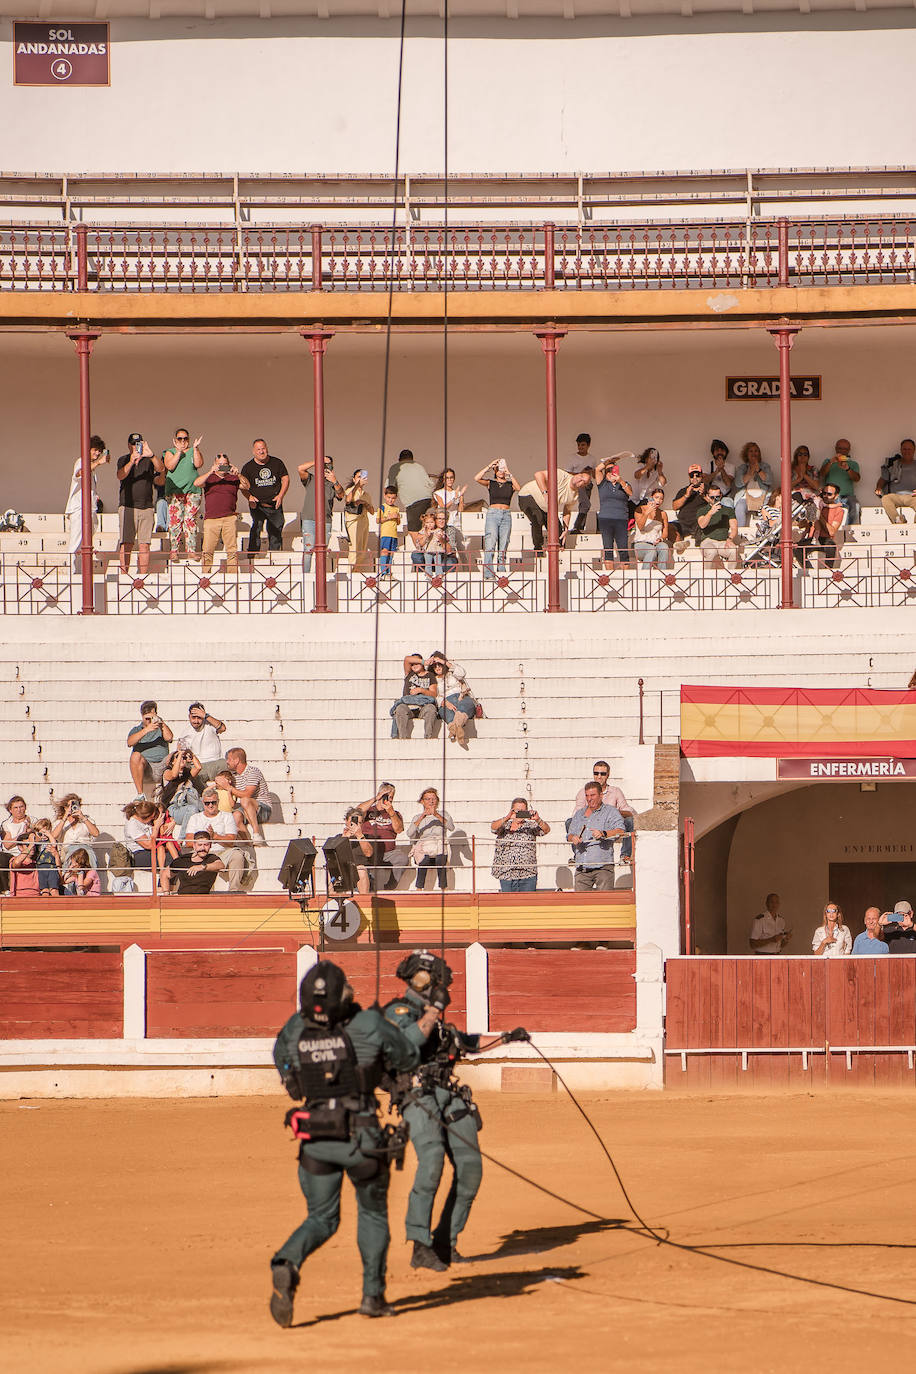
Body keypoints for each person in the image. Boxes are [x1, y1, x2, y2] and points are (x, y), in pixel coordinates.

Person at [269, 958, 438, 1326]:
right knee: (373, 1213)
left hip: (315, 1136)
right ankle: (372, 1296)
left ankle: (287, 1260)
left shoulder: (295, 1027)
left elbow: (282, 1061)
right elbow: (408, 1056)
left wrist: (296, 1078)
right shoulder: (367, 1023)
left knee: (321, 1218)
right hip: (362, 1137)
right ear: (343, 996)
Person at [382, 951, 527, 1272]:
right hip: (418, 1096)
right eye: (426, 977)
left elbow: (468, 1042)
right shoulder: (398, 1011)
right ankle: (420, 1245)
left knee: (470, 1168)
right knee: (431, 1162)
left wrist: (506, 1038)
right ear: (412, 978)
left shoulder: (439, 1024)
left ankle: (445, 1243)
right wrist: (433, 1009)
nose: (431, 983)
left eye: (436, 979)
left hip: (449, 1094)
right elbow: (409, 1042)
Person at [181, 787, 253, 892]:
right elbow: (188, 842)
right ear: (203, 803)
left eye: (213, 802)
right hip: (201, 853)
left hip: (223, 852)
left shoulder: (227, 816)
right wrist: (206, 840)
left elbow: (231, 841)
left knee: (237, 855)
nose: (210, 805)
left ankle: (234, 891)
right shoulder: (195, 818)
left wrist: (214, 836)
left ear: (218, 802)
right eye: (207, 803)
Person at [117, 433, 165, 575]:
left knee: (144, 545)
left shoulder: (149, 460)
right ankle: (124, 575)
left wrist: (151, 455)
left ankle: (142, 577)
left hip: (146, 507)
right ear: (128, 445)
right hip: (127, 506)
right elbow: (120, 475)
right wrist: (132, 461)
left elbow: (161, 469)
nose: (135, 446)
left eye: (138, 444)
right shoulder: (123, 459)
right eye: (133, 444)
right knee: (126, 544)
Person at [195, 453, 250, 573]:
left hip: (229, 518)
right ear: (215, 464)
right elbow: (197, 483)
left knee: (232, 550)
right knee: (207, 550)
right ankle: (206, 575)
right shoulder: (209, 478)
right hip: (211, 519)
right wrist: (210, 471)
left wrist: (238, 474)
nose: (222, 467)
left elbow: (247, 486)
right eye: (220, 464)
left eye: (225, 464)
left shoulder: (233, 478)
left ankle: (232, 576)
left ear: (229, 464)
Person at [566, 781, 625, 891]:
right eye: (587, 795)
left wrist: (604, 833)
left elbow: (621, 831)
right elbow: (569, 834)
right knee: (580, 901)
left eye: (592, 795)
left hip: (603, 867)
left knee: (604, 901)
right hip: (582, 868)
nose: (589, 799)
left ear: (601, 795)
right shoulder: (579, 814)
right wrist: (573, 838)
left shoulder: (611, 811)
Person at [516, 467, 591, 554]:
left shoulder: (574, 495)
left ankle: (557, 552)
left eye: (583, 481)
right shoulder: (562, 475)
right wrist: (545, 493)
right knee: (538, 519)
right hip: (527, 495)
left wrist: (566, 529)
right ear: (577, 474)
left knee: (558, 532)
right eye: (581, 476)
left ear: (583, 486)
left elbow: (567, 511)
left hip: (546, 507)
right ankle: (538, 548)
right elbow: (538, 475)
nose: (580, 479)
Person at [574, 762, 635, 863]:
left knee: (629, 821)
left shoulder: (615, 791)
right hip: (591, 826)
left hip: (610, 825)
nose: (599, 776)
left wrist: (613, 812)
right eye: (596, 773)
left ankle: (625, 855)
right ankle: (578, 855)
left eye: (602, 774)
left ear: (608, 775)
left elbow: (629, 812)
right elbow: (576, 814)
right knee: (570, 822)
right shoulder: (583, 792)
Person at [65, 434, 109, 573]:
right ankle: (71, 573)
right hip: (79, 509)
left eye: (99, 451)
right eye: (95, 450)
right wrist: (99, 462)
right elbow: (80, 473)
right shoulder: (81, 461)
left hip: (89, 509)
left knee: (85, 543)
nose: (97, 453)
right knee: (76, 542)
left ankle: (80, 572)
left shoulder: (92, 468)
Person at [297, 454, 345, 573]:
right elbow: (300, 469)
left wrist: (335, 481)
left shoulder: (332, 484)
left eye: (328, 466)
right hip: (309, 519)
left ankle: (320, 575)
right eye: (323, 465)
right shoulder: (311, 479)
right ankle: (306, 576)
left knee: (322, 552)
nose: (325, 468)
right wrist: (317, 461)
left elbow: (341, 495)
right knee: (308, 549)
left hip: (325, 521)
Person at [490, 798, 549, 892]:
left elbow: (546, 830)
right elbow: (493, 827)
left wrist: (538, 820)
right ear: (512, 810)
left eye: (523, 811)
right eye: (517, 811)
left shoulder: (531, 826)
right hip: (506, 874)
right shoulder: (504, 826)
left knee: (527, 901)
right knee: (508, 901)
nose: (520, 813)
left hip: (528, 875)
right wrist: (507, 817)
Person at [162, 427, 204, 560]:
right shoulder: (170, 452)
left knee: (190, 520)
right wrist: (179, 451)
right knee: (175, 521)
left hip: (192, 490)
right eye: (180, 439)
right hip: (175, 491)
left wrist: (195, 449)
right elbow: (170, 466)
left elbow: (199, 464)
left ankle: (191, 550)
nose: (183, 441)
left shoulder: (193, 451)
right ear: (175, 440)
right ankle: (174, 550)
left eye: (185, 438)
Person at [474, 459, 519, 579]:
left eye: (502, 469)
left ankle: (501, 569)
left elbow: (518, 487)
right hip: (493, 514)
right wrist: (489, 466)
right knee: (490, 541)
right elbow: (477, 478)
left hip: (506, 514)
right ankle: (488, 572)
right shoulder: (491, 483)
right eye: (498, 469)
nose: (500, 471)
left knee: (504, 543)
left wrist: (509, 473)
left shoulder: (509, 484)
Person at [242, 438, 289, 553]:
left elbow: (285, 479)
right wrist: (249, 497)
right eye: (258, 449)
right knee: (256, 528)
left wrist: (281, 495)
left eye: (263, 448)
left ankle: (274, 555)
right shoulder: (248, 467)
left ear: (267, 449)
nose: (261, 451)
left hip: (274, 503)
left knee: (276, 530)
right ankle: (252, 554)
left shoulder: (277, 462)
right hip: (257, 505)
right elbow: (242, 485)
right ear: (253, 451)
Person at [357, 784, 406, 890]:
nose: (389, 799)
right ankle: (368, 886)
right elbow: (357, 811)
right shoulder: (369, 810)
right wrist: (375, 798)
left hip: (388, 852)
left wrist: (391, 813)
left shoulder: (395, 813)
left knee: (402, 858)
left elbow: (399, 829)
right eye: (386, 796)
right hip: (370, 851)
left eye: (391, 797)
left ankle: (390, 887)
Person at [427, 651, 477, 749]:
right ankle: (457, 729)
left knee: (465, 705)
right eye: (435, 666)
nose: (437, 667)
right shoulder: (433, 679)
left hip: (461, 697)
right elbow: (434, 695)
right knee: (445, 711)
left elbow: (462, 673)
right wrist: (444, 702)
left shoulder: (452, 672)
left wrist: (443, 661)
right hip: (446, 702)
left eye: (439, 664)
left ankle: (455, 728)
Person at [408, 788, 454, 891]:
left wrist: (436, 815)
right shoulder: (417, 817)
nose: (431, 801)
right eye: (427, 799)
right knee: (424, 860)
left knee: (440, 858)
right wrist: (422, 817)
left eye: (433, 799)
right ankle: (419, 888)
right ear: (422, 801)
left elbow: (451, 827)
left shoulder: (444, 814)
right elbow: (409, 833)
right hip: (425, 846)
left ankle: (443, 888)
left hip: (439, 844)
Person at [127, 699, 174, 798]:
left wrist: (162, 724)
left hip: (162, 765)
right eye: (147, 719)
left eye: (151, 718)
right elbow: (130, 742)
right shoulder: (136, 730)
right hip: (146, 767)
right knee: (135, 755)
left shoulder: (161, 727)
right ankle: (140, 795)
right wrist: (146, 730)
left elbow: (169, 738)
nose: (149, 721)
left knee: (176, 755)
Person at [224, 747, 271, 844]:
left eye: (229, 759)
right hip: (246, 808)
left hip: (263, 809)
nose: (227, 762)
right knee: (235, 816)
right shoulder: (234, 776)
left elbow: (248, 794)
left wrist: (229, 788)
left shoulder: (253, 772)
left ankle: (256, 834)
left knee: (245, 800)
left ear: (237, 760)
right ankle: (249, 843)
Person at [594, 456, 633, 567]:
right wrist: (609, 461)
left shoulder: (624, 484)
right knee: (608, 548)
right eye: (608, 470)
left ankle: (625, 574)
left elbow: (630, 493)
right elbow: (597, 469)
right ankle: (610, 574)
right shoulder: (602, 484)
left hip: (621, 519)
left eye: (613, 469)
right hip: (605, 519)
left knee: (623, 548)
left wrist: (620, 481)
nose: (611, 472)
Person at [391, 652, 439, 740]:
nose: (414, 666)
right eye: (412, 664)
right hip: (408, 707)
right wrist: (424, 661)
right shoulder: (409, 673)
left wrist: (421, 690)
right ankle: (402, 738)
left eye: (417, 663)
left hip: (423, 707)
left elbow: (434, 694)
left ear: (422, 664)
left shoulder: (430, 676)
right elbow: (406, 659)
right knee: (400, 708)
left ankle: (428, 738)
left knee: (431, 709)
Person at [387, 449, 435, 532]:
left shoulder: (396, 467)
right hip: (429, 500)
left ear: (399, 459)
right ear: (412, 459)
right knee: (428, 529)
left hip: (413, 503)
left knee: (414, 532)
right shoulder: (419, 466)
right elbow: (431, 485)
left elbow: (389, 488)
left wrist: (389, 505)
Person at [176, 702, 227, 783]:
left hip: (216, 762)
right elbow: (180, 751)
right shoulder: (185, 733)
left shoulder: (210, 725)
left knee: (226, 764)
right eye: (193, 717)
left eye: (199, 717)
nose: (196, 721)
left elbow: (222, 728)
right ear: (189, 716)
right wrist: (187, 756)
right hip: (199, 766)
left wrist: (206, 716)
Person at [159, 748, 204, 838]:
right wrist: (180, 754)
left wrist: (191, 754)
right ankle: (182, 838)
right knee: (192, 809)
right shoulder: (167, 772)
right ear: (172, 762)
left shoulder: (187, 774)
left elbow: (198, 767)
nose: (182, 759)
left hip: (185, 805)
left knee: (200, 807)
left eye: (184, 758)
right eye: (178, 757)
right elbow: (174, 775)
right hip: (172, 807)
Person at [798, 483, 845, 568]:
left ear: (836, 496)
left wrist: (819, 515)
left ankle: (828, 571)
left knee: (831, 546)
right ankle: (809, 570)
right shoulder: (816, 503)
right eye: (824, 493)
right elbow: (801, 525)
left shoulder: (838, 510)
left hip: (825, 539)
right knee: (796, 548)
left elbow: (831, 532)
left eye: (829, 494)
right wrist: (807, 517)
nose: (826, 496)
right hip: (812, 538)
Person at [697, 479, 740, 569]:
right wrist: (710, 513)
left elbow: (734, 528)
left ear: (720, 496)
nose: (715, 499)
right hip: (708, 541)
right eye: (712, 497)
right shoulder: (702, 510)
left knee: (734, 550)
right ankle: (707, 575)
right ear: (707, 497)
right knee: (711, 551)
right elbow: (702, 525)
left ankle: (731, 575)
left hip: (723, 542)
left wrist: (730, 539)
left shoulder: (728, 510)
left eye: (717, 497)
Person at [732, 442, 774, 529]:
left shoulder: (765, 466)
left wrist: (758, 469)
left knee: (767, 509)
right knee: (739, 508)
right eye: (751, 451)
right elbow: (738, 483)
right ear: (746, 454)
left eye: (756, 451)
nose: (754, 453)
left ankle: (766, 532)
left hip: (764, 496)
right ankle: (740, 532)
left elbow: (769, 481)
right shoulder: (742, 467)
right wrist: (750, 472)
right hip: (745, 497)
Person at [818, 439, 860, 524]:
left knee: (856, 506)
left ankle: (850, 530)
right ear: (836, 449)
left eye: (845, 449)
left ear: (849, 450)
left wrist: (847, 469)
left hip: (847, 496)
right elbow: (822, 474)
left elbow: (856, 479)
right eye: (840, 448)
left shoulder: (853, 464)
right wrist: (831, 462)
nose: (842, 451)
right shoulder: (828, 461)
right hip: (830, 496)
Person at [50, 793, 101, 863]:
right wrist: (65, 817)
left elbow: (96, 833)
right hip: (68, 849)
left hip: (85, 848)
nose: (72, 807)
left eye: (75, 805)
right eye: (69, 806)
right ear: (65, 808)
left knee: (88, 853)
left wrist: (83, 818)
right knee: (72, 854)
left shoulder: (86, 820)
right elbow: (54, 836)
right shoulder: (60, 822)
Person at [876, 439, 916, 525]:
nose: (907, 451)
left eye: (909, 449)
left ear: (914, 450)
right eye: (904, 449)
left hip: (912, 497)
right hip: (896, 496)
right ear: (901, 450)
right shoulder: (893, 464)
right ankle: (898, 521)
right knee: (885, 498)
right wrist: (878, 487)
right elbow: (883, 479)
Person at [342, 469, 374, 572]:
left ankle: (356, 570)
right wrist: (356, 486)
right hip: (353, 521)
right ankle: (350, 572)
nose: (361, 479)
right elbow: (348, 500)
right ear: (354, 479)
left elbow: (372, 511)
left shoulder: (366, 494)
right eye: (358, 477)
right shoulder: (350, 490)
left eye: (362, 477)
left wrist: (365, 503)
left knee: (362, 549)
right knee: (354, 548)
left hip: (363, 521)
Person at [670, 465, 708, 550]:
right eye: (692, 475)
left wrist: (704, 495)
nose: (694, 478)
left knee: (702, 527)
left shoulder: (708, 489)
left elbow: (715, 504)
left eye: (697, 475)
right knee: (670, 526)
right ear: (689, 477)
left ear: (702, 475)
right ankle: (681, 543)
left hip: (698, 523)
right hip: (683, 523)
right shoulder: (683, 490)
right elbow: (674, 507)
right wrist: (686, 495)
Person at [0, 795, 32, 894]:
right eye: (16, 807)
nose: (19, 810)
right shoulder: (6, 824)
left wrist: (28, 830)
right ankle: (5, 889)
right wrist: (21, 835)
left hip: (27, 852)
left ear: (25, 807)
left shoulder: (32, 821)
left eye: (21, 807)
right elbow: (7, 845)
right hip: (10, 854)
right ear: (10, 810)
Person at [633, 488, 670, 568]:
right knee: (651, 550)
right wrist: (647, 513)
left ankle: (662, 572)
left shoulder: (663, 514)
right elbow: (640, 527)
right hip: (641, 543)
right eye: (656, 497)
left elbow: (665, 532)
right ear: (651, 497)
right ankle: (645, 575)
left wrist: (661, 539)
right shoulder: (640, 509)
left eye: (661, 499)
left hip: (655, 543)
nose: (658, 500)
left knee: (664, 547)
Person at [567, 432, 595, 534]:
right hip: (578, 484)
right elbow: (567, 473)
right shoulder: (572, 458)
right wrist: (581, 473)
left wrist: (591, 471)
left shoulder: (592, 459)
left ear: (588, 445)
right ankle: (576, 527)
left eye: (582, 445)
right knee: (585, 504)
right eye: (578, 445)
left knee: (583, 506)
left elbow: (594, 475)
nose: (580, 447)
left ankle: (580, 528)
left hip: (588, 485)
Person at [376, 486, 401, 577]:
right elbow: (378, 520)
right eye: (389, 497)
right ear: (385, 496)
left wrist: (397, 517)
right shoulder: (382, 507)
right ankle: (383, 572)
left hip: (394, 534)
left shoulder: (397, 508)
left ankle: (388, 572)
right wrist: (388, 517)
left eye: (393, 498)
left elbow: (398, 522)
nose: (390, 500)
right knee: (385, 551)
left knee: (391, 553)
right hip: (385, 533)